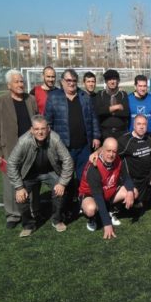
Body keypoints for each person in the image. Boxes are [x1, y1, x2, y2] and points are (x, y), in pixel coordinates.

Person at [45, 68, 101, 219]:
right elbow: (48, 122)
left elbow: (93, 118)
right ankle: (66, 208)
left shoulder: (84, 96)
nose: (71, 83)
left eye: (74, 81)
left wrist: (96, 136)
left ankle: (82, 205)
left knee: (84, 177)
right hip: (64, 148)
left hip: (84, 146)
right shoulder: (54, 97)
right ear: (62, 82)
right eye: (68, 80)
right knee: (66, 179)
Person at [7, 115, 74, 237]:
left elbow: (67, 160)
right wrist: (19, 187)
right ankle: (28, 225)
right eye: (37, 129)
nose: (40, 132)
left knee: (60, 191)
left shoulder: (55, 138)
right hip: (29, 174)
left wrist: (62, 183)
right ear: (31, 130)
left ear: (48, 128)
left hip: (50, 172)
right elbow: (11, 163)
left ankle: (57, 220)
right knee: (20, 197)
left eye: (43, 128)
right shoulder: (23, 141)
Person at [0, 69, 38, 228]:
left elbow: (37, 121)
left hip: (30, 148)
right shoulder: (0, 102)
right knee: (10, 183)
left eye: (21, 81)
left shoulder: (31, 99)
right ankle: (13, 215)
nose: (20, 84)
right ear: (9, 85)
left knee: (30, 181)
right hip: (9, 149)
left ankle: (31, 211)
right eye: (17, 81)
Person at [79, 137, 138, 239]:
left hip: (108, 191)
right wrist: (107, 224)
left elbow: (126, 177)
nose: (111, 154)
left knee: (134, 191)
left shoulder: (118, 160)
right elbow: (98, 196)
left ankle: (112, 210)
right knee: (90, 209)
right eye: (108, 151)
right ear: (102, 150)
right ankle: (92, 218)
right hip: (91, 195)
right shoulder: (94, 166)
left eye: (114, 151)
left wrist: (129, 192)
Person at [94, 69, 130, 140]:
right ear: (106, 81)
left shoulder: (123, 94)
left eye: (114, 79)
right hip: (105, 133)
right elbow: (99, 111)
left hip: (121, 132)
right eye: (109, 79)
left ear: (118, 81)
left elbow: (125, 113)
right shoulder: (100, 94)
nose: (112, 82)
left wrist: (107, 110)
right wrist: (116, 107)